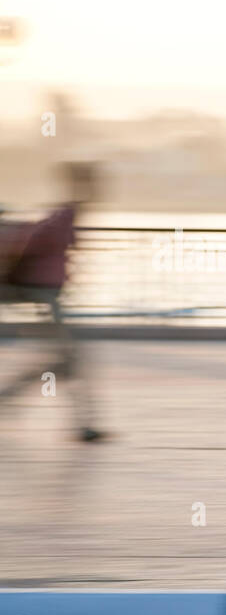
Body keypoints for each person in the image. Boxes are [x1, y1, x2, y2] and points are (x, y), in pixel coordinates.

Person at [0, 162, 103, 441]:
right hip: (43, 298)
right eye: (91, 184)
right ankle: (83, 425)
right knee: (68, 358)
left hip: (46, 297)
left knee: (65, 360)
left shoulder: (65, 214)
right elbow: (30, 244)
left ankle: (9, 396)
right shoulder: (64, 215)